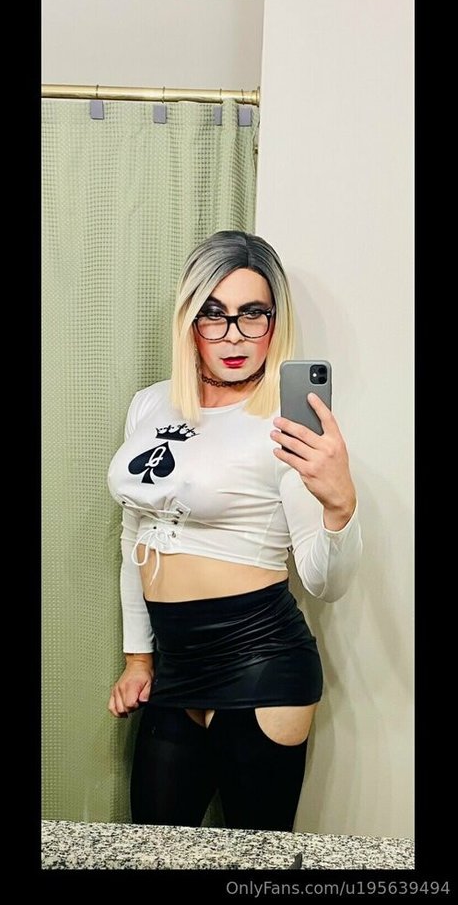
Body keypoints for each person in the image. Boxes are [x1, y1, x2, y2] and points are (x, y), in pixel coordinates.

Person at [107, 230, 362, 832]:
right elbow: (133, 537)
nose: (233, 336)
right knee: (152, 852)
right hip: (175, 667)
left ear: (275, 321)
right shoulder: (150, 404)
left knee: (254, 859)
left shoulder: (286, 421)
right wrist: (139, 659)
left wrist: (340, 505)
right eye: (213, 314)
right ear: (189, 320)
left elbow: (326, 584)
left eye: (253, 314)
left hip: (262, 660)